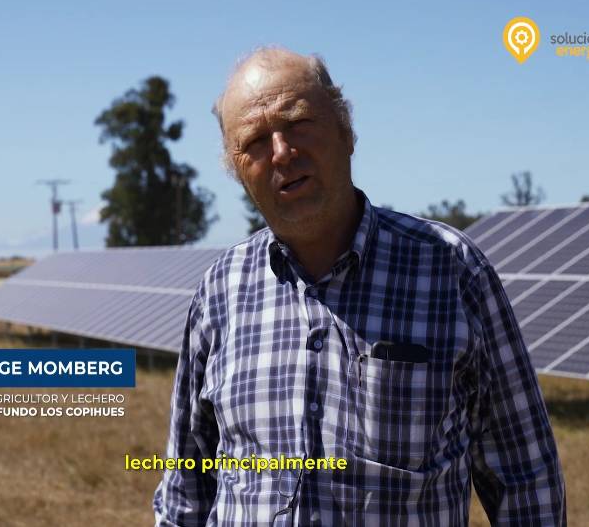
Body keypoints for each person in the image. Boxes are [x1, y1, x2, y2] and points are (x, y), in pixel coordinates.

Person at [153, 47, 566, 526]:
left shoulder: (450, 269)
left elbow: (525, 478)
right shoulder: (220, 291)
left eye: (299, 122)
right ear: (238, 169)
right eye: (256, 141)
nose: (283, 152)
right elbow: (186, 487)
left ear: (346, 130)